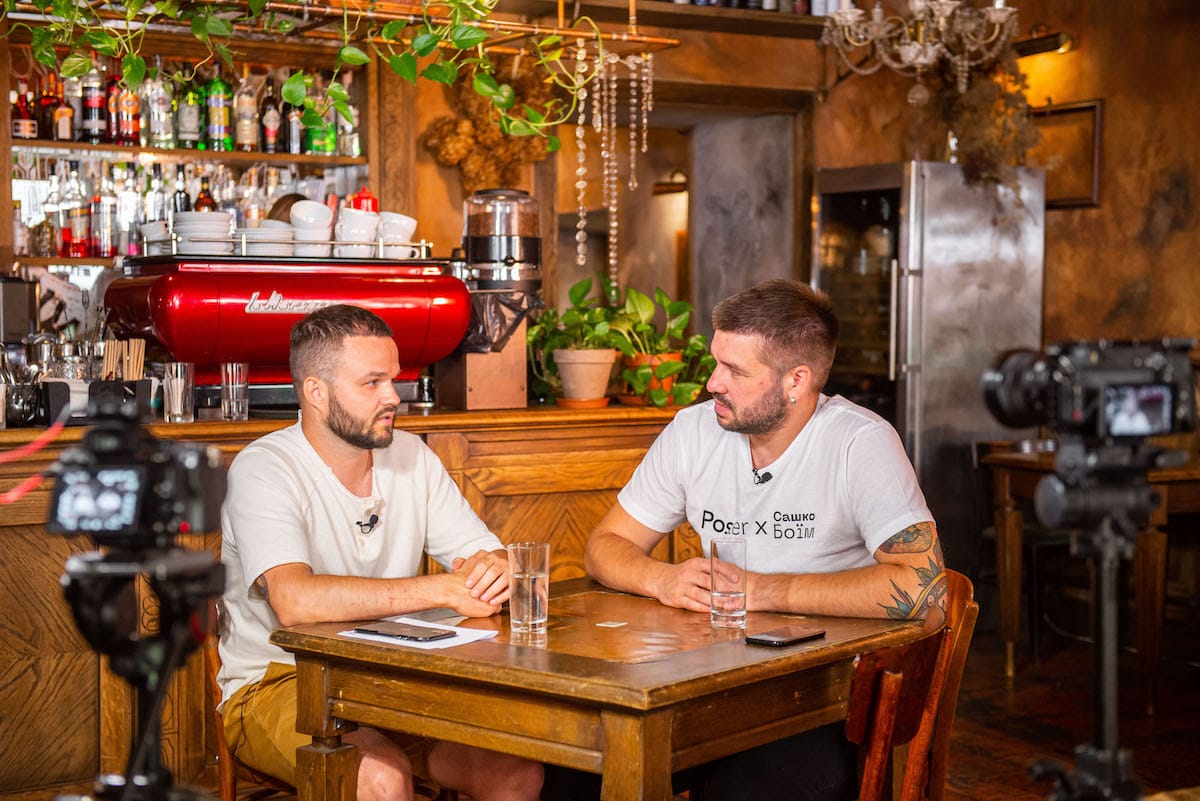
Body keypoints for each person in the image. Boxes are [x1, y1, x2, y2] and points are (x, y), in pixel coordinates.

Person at [543, 279, 945, 801]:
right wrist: (661, 580)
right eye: (717, 362)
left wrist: (761, 589)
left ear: (796, 380)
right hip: (709, 688)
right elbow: (606, 544)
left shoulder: (859, 442)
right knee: (570, 777)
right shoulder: (693, 432)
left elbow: (921, 586)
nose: (713, 382)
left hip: (825, 707)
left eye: (735, 370)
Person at [217, 304, 542, 801]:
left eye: (393, 379)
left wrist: (494, 569)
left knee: (515, 772)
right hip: (280, 682)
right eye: (372, 383)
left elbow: (488, 556)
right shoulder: (263, 468)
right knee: (381, 780)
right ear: (316, 392)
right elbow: (294, 601)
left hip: (398, 677)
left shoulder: (412, 455)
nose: (393, 396)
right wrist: (442, 589)